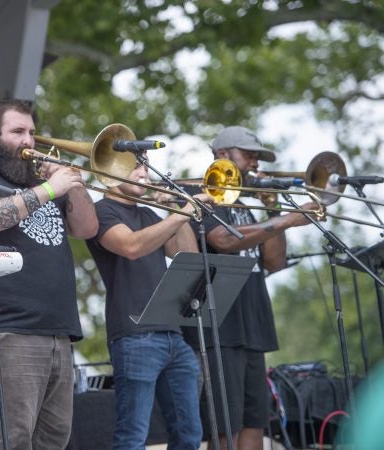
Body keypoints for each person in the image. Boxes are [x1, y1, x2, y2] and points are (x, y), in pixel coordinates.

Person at [0, 99, 98, 449]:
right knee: (14, 436)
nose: (29, 141)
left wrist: (74, 184)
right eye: (18, 132)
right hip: (5, 325)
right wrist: (50, 189)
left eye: (31, 132)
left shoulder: (42, 184)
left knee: (55, 437)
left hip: (56, 325)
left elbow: (86, 228)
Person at [182, 126, 323, 450]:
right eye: (248, 156)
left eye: (256, 158)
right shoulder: (203, 197)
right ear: (222, 155)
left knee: (254, 423)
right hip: (220, 327)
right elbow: (224, 240)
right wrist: (287, 219)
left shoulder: (248, 203)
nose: (253, 164)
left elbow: (274, 261)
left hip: (253, 325)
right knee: (225, 427)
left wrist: (272, 207)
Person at [85, 157, 211, 450]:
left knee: (189, 434)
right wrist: (184, 213)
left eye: (145, 167)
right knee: (133, 436)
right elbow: (131, 247)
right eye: (136, 167)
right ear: (111, 174)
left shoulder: (152, 215)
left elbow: (188, 259)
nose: (145, 173)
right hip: (134, 334)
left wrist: (176, 208)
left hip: (174, 335)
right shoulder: (102, 211)